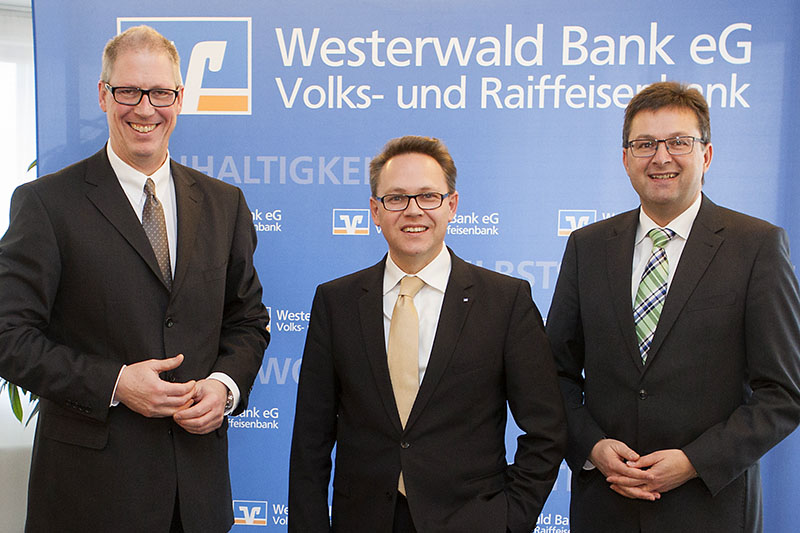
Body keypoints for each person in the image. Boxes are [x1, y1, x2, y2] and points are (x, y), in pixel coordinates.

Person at [0, 26, 269, 532]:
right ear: (104, 95)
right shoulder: (46, 204)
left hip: (196, 497)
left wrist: (225, 386)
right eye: (129, 91)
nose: (145, 109)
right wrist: (117, 384)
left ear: (179, 98)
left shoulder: (222, 203)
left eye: (160, 93)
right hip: (88, 499)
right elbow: (8, 336)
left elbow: (248, 320)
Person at [546, 81, 800, 532]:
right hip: (605, 506)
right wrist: (591, 448)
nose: (661, 158)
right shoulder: (587, 247)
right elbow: (555, 372)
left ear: (706, 155)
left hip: (710, 508)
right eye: (644, 144)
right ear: (626, 159)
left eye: (678, 142)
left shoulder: (757, 247)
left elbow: (783, 393)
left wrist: (694, 461)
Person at [289, 135, 566, 532]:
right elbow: (310, 442)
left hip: (471, 522)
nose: (413, 211)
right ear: (375, 211)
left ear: (452, 205)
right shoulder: (337, 302)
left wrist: (507, 519)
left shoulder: (506, 301)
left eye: (428, 196)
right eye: (396, 198)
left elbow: (547, 429)